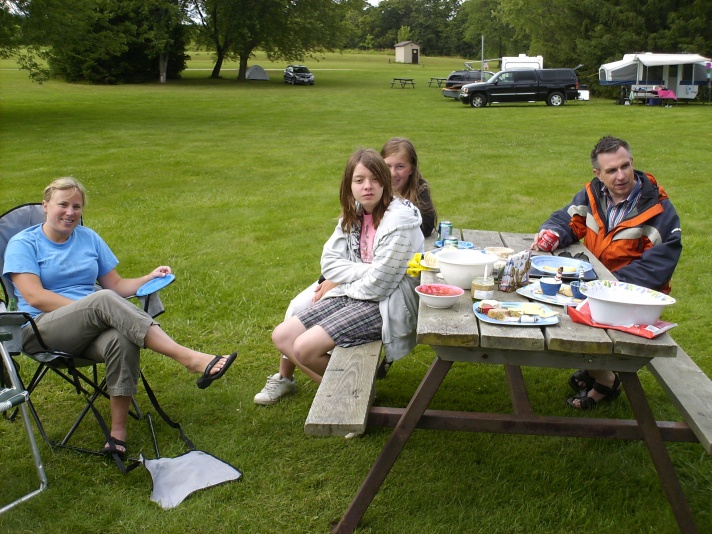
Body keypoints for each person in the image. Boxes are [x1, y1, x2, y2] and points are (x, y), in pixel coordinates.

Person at [3, 178, 237, 456]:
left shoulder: (89, 238)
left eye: (76, 206)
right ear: (45, 206)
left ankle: (118, 433)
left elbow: (115, 286)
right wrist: (90, 308)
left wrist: (148, 278)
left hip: (90, 327)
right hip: (41, 330)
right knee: (101, 300)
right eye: (62, 204)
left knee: (120, 336)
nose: (70, 212)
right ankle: (188, 358)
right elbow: (35, 297)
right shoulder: (23, 243)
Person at [254, 139, 433, 405]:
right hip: (357, 292)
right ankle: (351, 392)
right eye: (359, 180)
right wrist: (366, 272)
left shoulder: (400, 222)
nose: (367, 186)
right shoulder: (356, 213)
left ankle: (355, 395)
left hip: (386, 303)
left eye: (374, 179)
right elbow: (329, 263)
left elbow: (378, 287)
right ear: (349, 186)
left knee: (304, 348)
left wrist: (342, 284)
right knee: (282, 335)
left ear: (385, 182)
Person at [531, 136, 682, 410]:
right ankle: (594, 369)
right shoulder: (593, 194)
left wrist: (602, 287)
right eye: (612, 171)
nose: (621, 176)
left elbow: (657, 268)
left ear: (632, 163)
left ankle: (606, 377)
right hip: (596, 287)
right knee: (543, 298)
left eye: (625, 166)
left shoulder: (659, 209)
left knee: (562, 317)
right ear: (598, 174)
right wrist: (553, 233)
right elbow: (569, 219)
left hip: (635, 301)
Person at [380, 137, 437, 238]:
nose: (393, 173)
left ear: (411, 169)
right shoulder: (374, 188)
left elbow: (426, 226)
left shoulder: (419, 190)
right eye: (387, 166)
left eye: (400, 166)